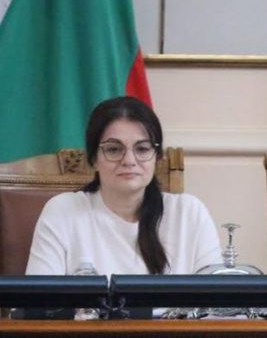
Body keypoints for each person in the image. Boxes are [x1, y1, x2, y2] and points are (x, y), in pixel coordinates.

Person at [26, 96, 221, 276]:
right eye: (114, 149)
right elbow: (39, 299)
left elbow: (217, 299)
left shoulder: (189, 213)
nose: (129, 160)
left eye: (142, 149)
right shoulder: (63, 211)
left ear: (157, 157)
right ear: (93, 159)